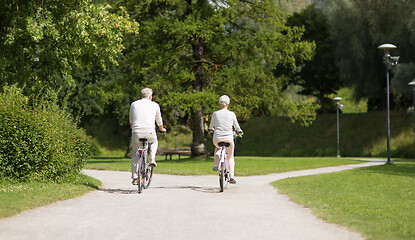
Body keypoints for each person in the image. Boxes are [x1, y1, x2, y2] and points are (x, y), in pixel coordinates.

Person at [129, 88, 166, 185]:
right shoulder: (155, 105)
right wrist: (162, 129)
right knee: (154, 142)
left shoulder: (134, 104)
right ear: (150, 96)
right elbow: (159, 120)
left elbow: (131, 121)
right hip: (150, 132)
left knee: (135, 154)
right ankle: (152, 159)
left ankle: (135, 177)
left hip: (136, 131)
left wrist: (133, 129)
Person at [208, 95, 243, 184]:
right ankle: (231, 175)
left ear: (220, 103)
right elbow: (237, 126)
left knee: (217, 148)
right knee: (230, 156)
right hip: (228, 138)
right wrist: (239, 131)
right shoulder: (231, 114)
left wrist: (211, 129)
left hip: (217, 138)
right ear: (228, 103)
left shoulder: (215, 114)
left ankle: (216, 165)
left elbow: (211, 126)